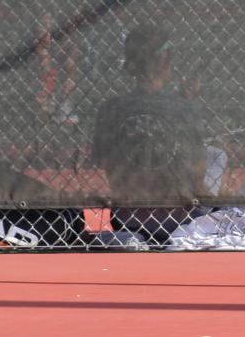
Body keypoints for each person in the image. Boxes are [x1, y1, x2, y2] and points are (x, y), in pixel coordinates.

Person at [90, 23, 213, 247]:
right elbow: (198, 175)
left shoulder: (110, 108)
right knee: (218, 155)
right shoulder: (183, 108)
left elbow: (104, 164)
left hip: (127, 218)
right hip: (182, 220)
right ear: (165, 61)